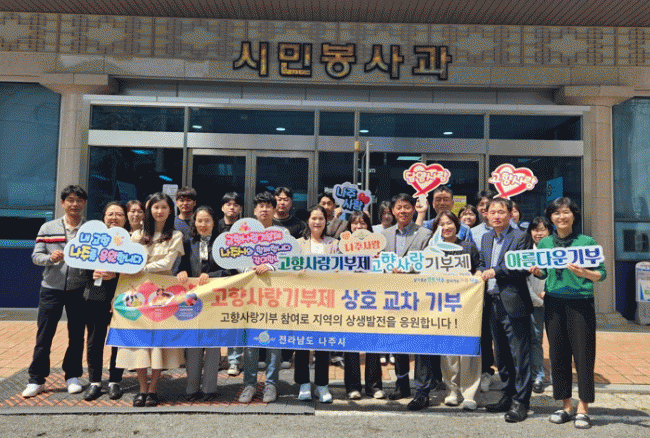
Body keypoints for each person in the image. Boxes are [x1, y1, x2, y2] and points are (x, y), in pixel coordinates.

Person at [529, 198, 606, 430]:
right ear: (550, 218)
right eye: (556, 213)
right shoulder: (545, 244)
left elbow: (601, 273)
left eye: (566, 212)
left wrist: (585, 273)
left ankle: (583, 408)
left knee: (583, 355)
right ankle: (566, 406)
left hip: (580, 303)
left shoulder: (586, 242)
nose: (561, 217)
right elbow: (545, 273)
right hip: (554, 303)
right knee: (558, 354)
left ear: (574, 215)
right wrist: (538, 272)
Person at [116, 192, 185, 407]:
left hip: (161, 295)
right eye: (156, 207)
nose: (159, 211)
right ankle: (142, 389)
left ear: (170, 210)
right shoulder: (136, 235)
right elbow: (125, 263)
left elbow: (167, 264)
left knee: (157, 344)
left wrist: (140, 267)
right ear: (149, 210)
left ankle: (153, 389)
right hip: (135, 293)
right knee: (139, 342)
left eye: (164, 207)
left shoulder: (175, 235)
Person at [22, 185, 89, 398]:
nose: (75, 204)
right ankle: (36, 380)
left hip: (79, 289)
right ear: (62, 203)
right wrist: (50, 258)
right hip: (51, 289)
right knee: (44, 335)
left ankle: (73, 376)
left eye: (79, 200)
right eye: (70, 200)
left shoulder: (91, 230)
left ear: (84, 203)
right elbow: (36, 256)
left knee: (76, 335)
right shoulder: (48, 227)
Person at [478, 197, 533, 423]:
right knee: (501, 355)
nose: (497, 216)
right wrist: (480, 271)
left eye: (501, 212)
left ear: (510, 214)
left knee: (520, 354)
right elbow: (482, 263)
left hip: (513, 302)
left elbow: (522, 267)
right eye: (492, 212)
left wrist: (495, 271)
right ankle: (507, 395)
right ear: (487, 215)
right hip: (492, 303)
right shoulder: (486, 237)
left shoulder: (521, 237)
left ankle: (521, 402)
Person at [381, 194, 433, 406]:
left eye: (407, 207)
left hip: (418, 296)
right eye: (399, 207)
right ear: (393, 211)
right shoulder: (384, 235)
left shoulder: (425, 234)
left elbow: (429, 262)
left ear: (414, 209)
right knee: (398, 341)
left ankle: (422, 390)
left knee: (421, 344)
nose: (402, 211)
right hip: (393, 296)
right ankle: (401, 384)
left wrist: (406, 269)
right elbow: (379, 263)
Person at [431, 211, 481, 411]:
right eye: (441, 224)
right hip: (444, 304)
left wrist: (476, 277)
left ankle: (469, 393)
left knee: (468, 349)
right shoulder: (433, 249)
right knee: (448, 350)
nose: (446, 227)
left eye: (449, 223)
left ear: (457, 225)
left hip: (468, 304)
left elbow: (479, 268)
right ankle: (452, 390)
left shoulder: (468, 247)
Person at [238, 192, 283, 404]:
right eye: (260, 206)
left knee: (274, 341)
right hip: (250, 295)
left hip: (276, 296)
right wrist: (248, 269)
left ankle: (271, 384)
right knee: (251, 342)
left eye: (268, 206)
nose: (264, 210)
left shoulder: (282, 234)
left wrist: (270, 266)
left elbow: (289, 259)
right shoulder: (244, 232)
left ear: (274, 210)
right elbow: (234, 259)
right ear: (254, 211)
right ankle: (249, 384)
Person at [176, 206, 224, 402]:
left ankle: (209, 388)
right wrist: (181, 273)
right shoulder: (188, 243)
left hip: (215, 300)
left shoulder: (222, 244)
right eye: (199, 221)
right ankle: (192, 387)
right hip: (192, 300)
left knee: (212, 345)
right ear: (194, 223)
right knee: (193, 344)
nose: (203, 224)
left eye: (207, 221)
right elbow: (180, 267)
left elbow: (229, 272)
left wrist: (211, 275)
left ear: (214, 223)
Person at [82, 201, 128, 401]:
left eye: (119, 214)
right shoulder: (93, 240)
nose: (114, 218)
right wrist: (92, 272)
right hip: (96, 295)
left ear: (125, 219)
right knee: (95, 338)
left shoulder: (130, 241)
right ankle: (94, 381)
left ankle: (115, 381)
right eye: (110, 214)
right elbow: (80, 264)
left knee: (118, 339)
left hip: (122, 296)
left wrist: (116, 274)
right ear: (104, 217)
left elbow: (136, 270)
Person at [293, 205, 338, 403]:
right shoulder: (297, 244)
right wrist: (297, 272)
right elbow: (287, 268)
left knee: (323, 345)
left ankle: (322, 385)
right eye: (314, 218)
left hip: (326, 301)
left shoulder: (334, 244)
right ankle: (303, 383)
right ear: (308, 221)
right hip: (303, 300)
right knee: (302, 344)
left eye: (321, 218)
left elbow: (343, 269)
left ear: (326, 222)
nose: (317, 222)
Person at [343, 211, 385, 400]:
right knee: (351, 345)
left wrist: (379, 259)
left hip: (373, 299)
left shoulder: (379, 246)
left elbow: (385, 271)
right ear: (349, 226)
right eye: (355, 223)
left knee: (373, 344)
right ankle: (352, 387)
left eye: (363, 223)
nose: (359, 227)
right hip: (349, 300)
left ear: (369, 226)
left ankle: (374, 386)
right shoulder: (342, 247)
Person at [273, 187, 306, 369]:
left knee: (288, 317)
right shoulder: (267, 223)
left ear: (291, 202)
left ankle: (286, 355)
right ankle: (266, 354)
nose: (282, 202)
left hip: (291, 279)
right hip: (269, 278)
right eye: (279, 199)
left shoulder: (299, 225)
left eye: (286, 199)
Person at [217, 192, 244, 376]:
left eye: (235, 204)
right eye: (228, 204)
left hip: (238, 281)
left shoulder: (245, 227)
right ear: (222, 207)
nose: (232, 207)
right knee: (216, 320)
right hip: (217, 279)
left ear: (240, 208)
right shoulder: (215, 226)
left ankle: (234, 361)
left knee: (234, 321)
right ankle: (216, 358)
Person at [526, 216, 552, 394]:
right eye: (535, 229)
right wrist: (538, 300)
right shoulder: (525, 251)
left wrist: (548, 294)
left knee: (557, 341)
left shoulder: (555, 251)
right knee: (534, 339)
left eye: (543, 229)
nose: (539, 233)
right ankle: (536, 376)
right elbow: (524, 279)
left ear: (549, 231)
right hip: (532, 302)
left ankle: (558, 377)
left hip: (553, 301)